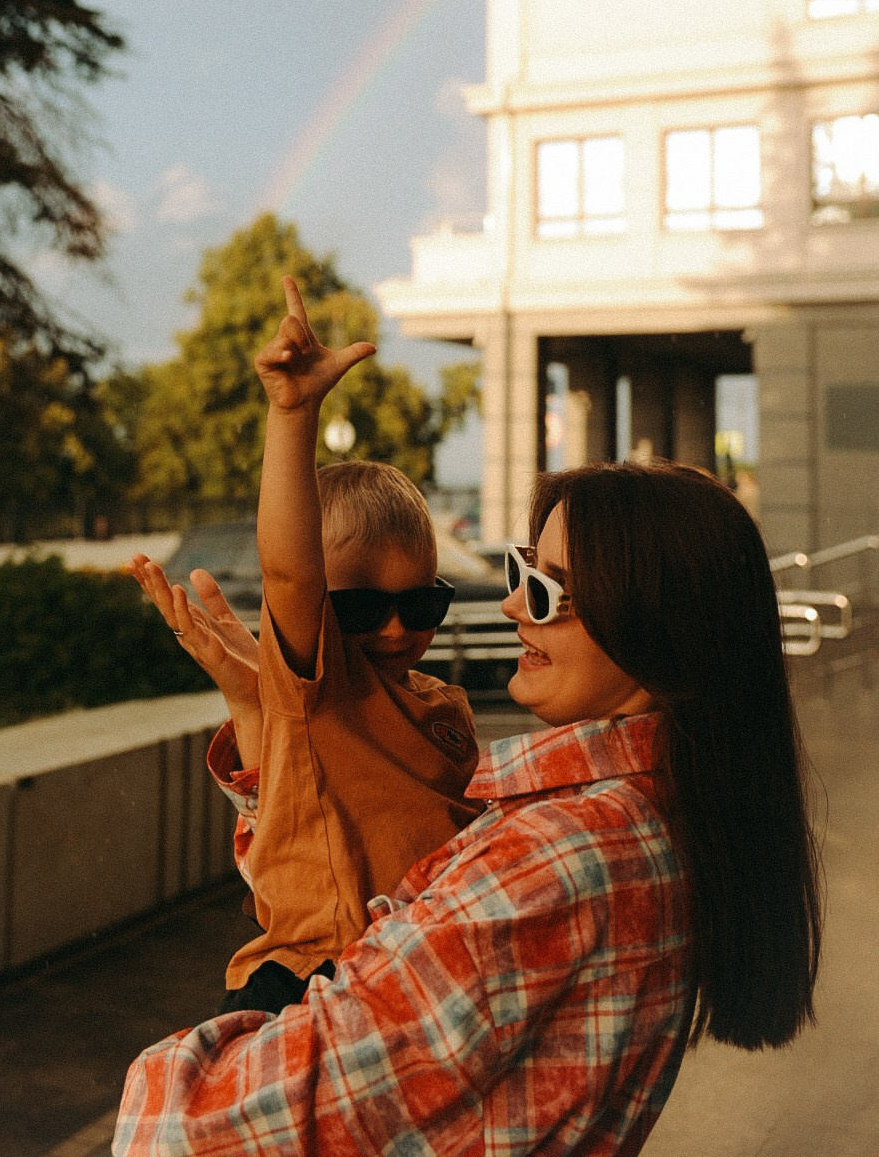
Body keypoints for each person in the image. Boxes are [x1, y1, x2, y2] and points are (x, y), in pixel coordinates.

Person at [116, 459, 822, 1156]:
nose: (514, 605)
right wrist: (255, 705)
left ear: (651, 624)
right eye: (521, 572)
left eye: (549, 592)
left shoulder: (557, 857)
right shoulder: (669, 814)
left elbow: (192, 1133)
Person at [129, 275, 481, 1013]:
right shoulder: (321, 685)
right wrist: (293, 414)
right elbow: (291, 570)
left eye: (422, 603)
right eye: (357, 609)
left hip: (413, 967)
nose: (394, 630)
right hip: (310, 975)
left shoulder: (445, 710)